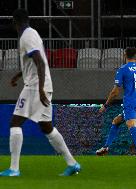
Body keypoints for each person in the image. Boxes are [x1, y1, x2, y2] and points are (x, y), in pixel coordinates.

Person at [0, 9, 80, 176]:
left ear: (15, 22)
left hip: (35, 87)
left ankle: (14, 169)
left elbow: (40, 63)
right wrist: (18, 75)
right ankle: (72, 163)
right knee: (47, 128)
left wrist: (41, 89)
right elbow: (38, 61)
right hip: (41, 85)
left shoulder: (26, 37)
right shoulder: (33, 33)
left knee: (15, 123)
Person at [96, 47, 136, 156]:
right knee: (116, 121)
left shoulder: (123, 69)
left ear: (125, 55)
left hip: (130, 102)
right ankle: (105, 147)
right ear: (135, 56)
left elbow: (115, 92)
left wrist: (106, 105)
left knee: (131, 125)